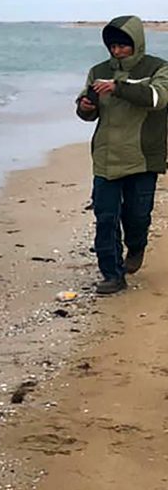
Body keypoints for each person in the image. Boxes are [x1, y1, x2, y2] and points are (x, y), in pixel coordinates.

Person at [76, 15, 168, 295]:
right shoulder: (98, 71)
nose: (117, 51)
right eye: (113, 46)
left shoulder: (158, 68)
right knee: (105, 218)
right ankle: (113, 275)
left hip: (142, 157)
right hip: (105, 158)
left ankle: (136, 246)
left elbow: (157, 98)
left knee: (137, 217)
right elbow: (86, 113)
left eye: (123, 46)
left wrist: (118, 87)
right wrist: (86, 106)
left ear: (136, 44)